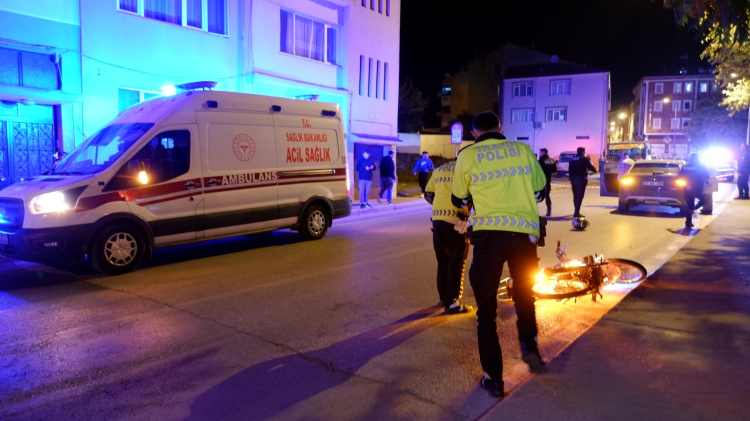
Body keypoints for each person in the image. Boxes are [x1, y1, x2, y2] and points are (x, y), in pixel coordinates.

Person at [451, 112, 548, 399]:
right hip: (523, 236)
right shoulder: (522, 150)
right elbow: (540, 193)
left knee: (486, 310)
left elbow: (459, 199)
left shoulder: (467, 155)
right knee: (525, 295)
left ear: (474, 132)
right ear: (501, 128)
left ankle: (493, 379)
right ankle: (529, 345)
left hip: (488, 239)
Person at [424, 160, 472, 314]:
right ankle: (452, 302)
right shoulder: (467, 170)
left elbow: (428, 194)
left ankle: (444, 298)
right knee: (457, 262)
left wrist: (441, 207)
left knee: (443, 262)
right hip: (456, 221)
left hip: (437, 221)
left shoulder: (439, 170)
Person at [679, 153, 709, 228]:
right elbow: (707, 176)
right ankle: (694, 208)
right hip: (697, 188)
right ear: (697, 158)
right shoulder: (700, 166)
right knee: (703, 200)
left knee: (689, 204)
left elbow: (680, 176)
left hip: (687, 188)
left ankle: (688, 222)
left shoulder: (685, 166)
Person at [568, 147, 597, 217]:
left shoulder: (572, 159)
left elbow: (569, 169)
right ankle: (576, 212)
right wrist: (595, 171)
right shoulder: (584, 159)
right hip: (581, 179)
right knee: (580, 196)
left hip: (573, 179)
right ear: (583, 152)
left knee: (575, 195)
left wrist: (571, 177)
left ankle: (576, 210)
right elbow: (591, 167)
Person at [538, 148, 556, 216]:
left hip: (540, 181)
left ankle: (534, 211)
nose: (539, 154)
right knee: (547, 196)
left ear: (544, 153)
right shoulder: (552, 160)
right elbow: (554, 170)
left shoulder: (540, 161)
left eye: (540, 153)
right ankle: (549, 210)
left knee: (536, 196)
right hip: (548, 180)